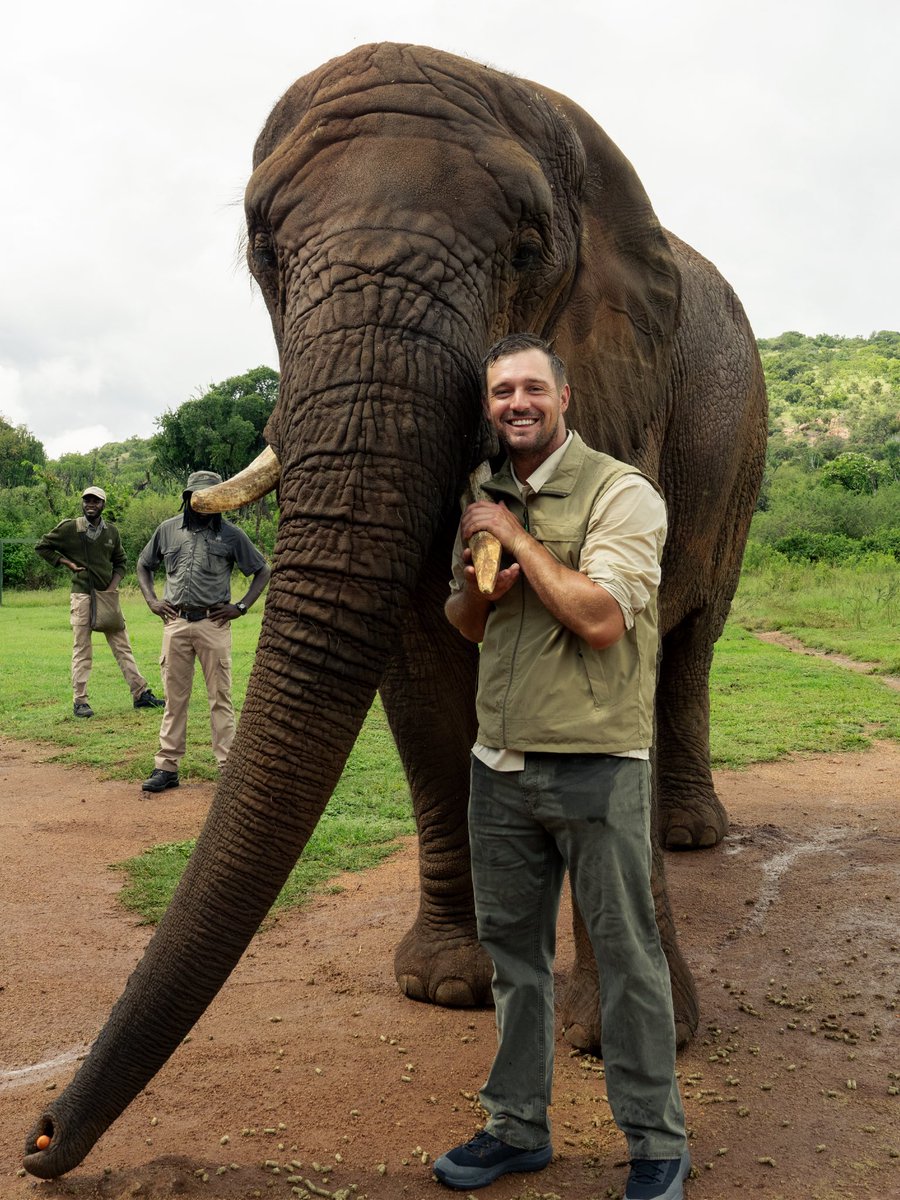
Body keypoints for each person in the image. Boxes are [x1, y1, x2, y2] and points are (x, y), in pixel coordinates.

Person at [435, 334, 689, 1200]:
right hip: (498, 766)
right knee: (514, 960)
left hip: (596, 767)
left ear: (565, 397)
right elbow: (467, 623)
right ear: (489, 405)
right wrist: (480, 590)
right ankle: (516, 1128)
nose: (518, 403)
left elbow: (603, 618)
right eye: (503, 390)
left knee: (625, 960)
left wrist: (519, 539)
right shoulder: (483, 492)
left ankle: (656, 1143)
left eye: (533, 388)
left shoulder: (621, 493)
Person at [136, 470, 271, 794]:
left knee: (220, 698)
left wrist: (241, 607)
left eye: (211, 497)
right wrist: (152, 601)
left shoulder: (232, 535)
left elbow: (262, 570)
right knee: (174, 699)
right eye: (198, 497)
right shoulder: (168, 529)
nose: (204, 503)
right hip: (176, 623)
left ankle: (228, 769)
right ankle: (167, 767)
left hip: (214, 624)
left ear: (221, 500)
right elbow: (143, 564)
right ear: (188, 498)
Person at [35, 486, 164, 719]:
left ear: (103, 504)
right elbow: (42, 546)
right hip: (82, 596)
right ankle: (80, 701)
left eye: (96, 501)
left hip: (107, 597)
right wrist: (67, 563)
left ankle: (140, 694)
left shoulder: (111, 532)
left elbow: (121, 562)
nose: (90, 504)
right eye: (87, 500)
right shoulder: (70, 528)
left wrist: (111, 589)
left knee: (122, 646)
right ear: (82, 503)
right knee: (82, 649)